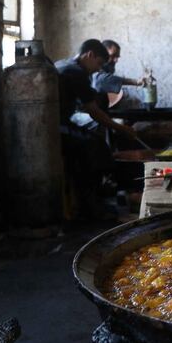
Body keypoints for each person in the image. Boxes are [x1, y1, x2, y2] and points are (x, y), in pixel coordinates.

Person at [55, 39, 138, 217]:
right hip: (56, 126)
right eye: (99, 63)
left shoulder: (64, 63)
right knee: (95, 146)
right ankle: (91, 205)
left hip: (59, 122)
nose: (99, 69)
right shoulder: (75, 71)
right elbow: (93, 111)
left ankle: (94, 198)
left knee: (94, 142)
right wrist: (121, 128)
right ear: (89, 55)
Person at [91, 40, 145, 104]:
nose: (116, 60)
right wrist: (135, 82)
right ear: (102, 54)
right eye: (113, 56)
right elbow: (101, 79)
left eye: (117, 57)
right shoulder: (94, 69)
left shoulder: (106, 70)